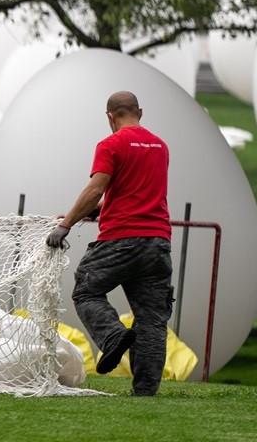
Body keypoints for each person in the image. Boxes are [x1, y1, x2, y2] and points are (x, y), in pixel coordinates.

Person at [46, 91, 173, 396]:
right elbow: (134, 195)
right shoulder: (160, 147)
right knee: (152, 319)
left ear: (110, 116)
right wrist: (93, 212)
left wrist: (66, 224)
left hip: (121, 240)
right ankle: (145, 392)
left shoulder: (111, 144)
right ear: (140, 112)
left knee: (86, 290)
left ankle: (113, 336)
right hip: (158, 243)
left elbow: (95, 188)